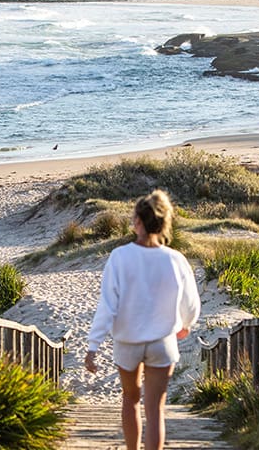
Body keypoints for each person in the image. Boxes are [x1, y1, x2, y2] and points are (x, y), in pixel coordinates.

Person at [84, 189, 201, 450]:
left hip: (128, 342)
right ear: (163, 223)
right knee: (155, 410)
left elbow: (108, 305)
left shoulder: (120, 257)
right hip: (162, 341)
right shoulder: (175, 259)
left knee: (130, 399)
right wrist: (185, 323)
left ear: (137, 220)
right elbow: (191, 302)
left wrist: (94, 345)